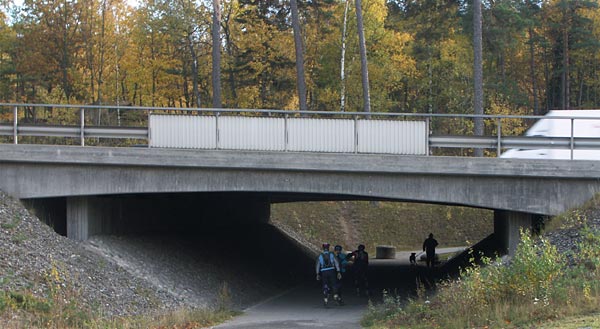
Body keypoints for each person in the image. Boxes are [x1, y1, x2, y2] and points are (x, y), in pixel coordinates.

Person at [315, 242, 341, 307]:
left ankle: (325, 300)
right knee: (334, 284)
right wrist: (338, 272)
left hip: (323, 272)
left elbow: (317, 265)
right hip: (331, 270)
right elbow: (336, 263)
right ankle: (335, 297)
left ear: (323, 248)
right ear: (328, 248)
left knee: (325, 285)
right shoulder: (331, 254)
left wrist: (317, 274)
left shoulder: (320, 255)